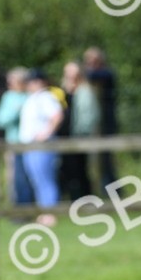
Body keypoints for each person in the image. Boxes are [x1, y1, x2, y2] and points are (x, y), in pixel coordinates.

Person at [18, 69, 65, 226]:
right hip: (30, 146)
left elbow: (57, 116)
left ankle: (50, 214)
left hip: (42, 146)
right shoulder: (33, 98)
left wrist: (46, 133)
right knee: (37, 180)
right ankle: (44, 212)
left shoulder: (45, 97)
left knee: (46, 180)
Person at [58, 61, 101, 201]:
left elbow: (90, 116)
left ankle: (86, 199)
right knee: (70, 170)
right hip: (66, 137)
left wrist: (82, 133)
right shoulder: (63, 92)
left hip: (80, 136)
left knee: (82, 169)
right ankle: (75, 198)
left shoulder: (85, 91)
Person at [0, 66, 35, 209]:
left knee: (32, 176)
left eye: (13, 81)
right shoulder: (8, 97)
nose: (10, 84)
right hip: (14, 143)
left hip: (33, 144)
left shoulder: (32, 95)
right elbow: (0, 120)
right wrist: (17, 113)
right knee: (15, 178)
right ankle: (17, 207)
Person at [83, 47, 118, 192]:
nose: (91, 64)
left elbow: (92, 76)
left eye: (94, 61)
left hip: (105, 124)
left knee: (106, 159)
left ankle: (110, 189)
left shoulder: (106, 74)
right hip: (91, 124)